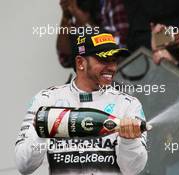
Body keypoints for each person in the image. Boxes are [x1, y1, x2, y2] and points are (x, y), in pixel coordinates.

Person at [15, 30, 148, 175]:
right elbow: (24, 164)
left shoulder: (128, 104)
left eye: (114, 60)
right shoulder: (47, 99)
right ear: (80, 62)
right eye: (104, 60)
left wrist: (129, 142)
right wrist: (42, 130)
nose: (112, 67)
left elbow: (133, 170)